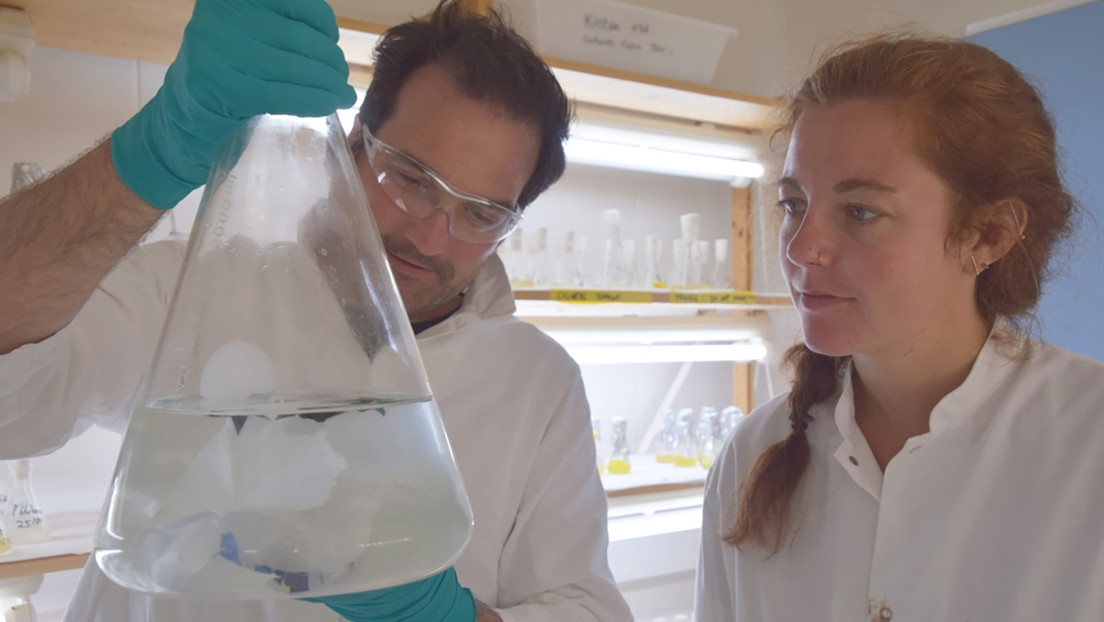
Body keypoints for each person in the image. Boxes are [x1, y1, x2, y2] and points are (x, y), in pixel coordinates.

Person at [0, 0, 632, 620]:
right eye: (411, 179)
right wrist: (147, 157)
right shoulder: (193, 286)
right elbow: (10, 409)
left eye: (481, 213)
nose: (431, 237)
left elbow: (589, 606)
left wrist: (447, 617)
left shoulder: (537, 380)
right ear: (355, 142)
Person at [694, 34, 1104, 621]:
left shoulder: (1090, 445)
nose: (804, 247)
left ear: (987, 234)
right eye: (793, 204)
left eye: (861, 211)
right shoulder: (751, 457)